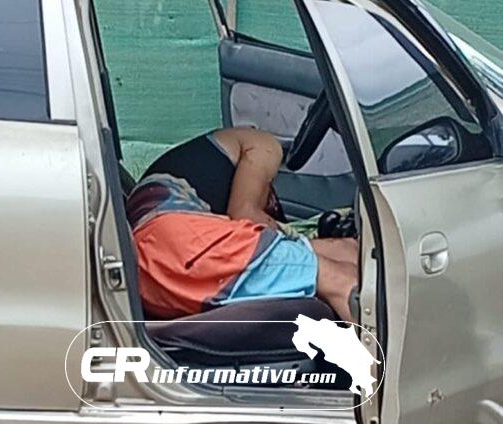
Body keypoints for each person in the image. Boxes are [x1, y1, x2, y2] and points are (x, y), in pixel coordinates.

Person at [126, 127, 358, 322]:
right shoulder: (263, 143)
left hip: (152, 272)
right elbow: (246, 214)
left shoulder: (202, 168)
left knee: (347, 253)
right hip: (179, 243)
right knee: (339, 278)